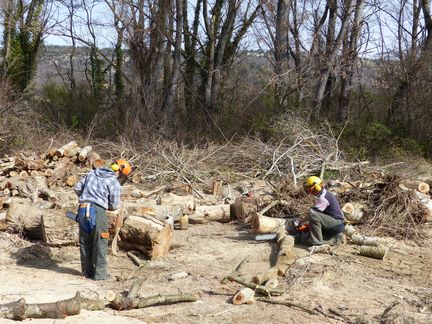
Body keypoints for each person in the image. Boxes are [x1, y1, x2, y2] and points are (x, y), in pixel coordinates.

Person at [74, 159, 132, 280]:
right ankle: (100, 275)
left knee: (85, 241)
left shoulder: (92, 173)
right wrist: (103, 203)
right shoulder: (113, 182)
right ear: (120, 173)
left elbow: (77, 188)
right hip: (97, 211)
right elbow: (115, 205)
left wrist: (87, 198)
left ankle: (86, 272)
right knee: (101, 241)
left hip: (83, 208)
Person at [298, 176, 345, 252]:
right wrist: (309, 224)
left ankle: (317, 245)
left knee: (314, 216)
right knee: (307, 239)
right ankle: (335, 239)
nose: (309, 191)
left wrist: (300, 222)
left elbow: (313, 214)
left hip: (336, 223)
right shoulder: (322, 195)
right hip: (333, 224)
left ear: (316, 187)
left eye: (310, 188)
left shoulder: (323, 198)